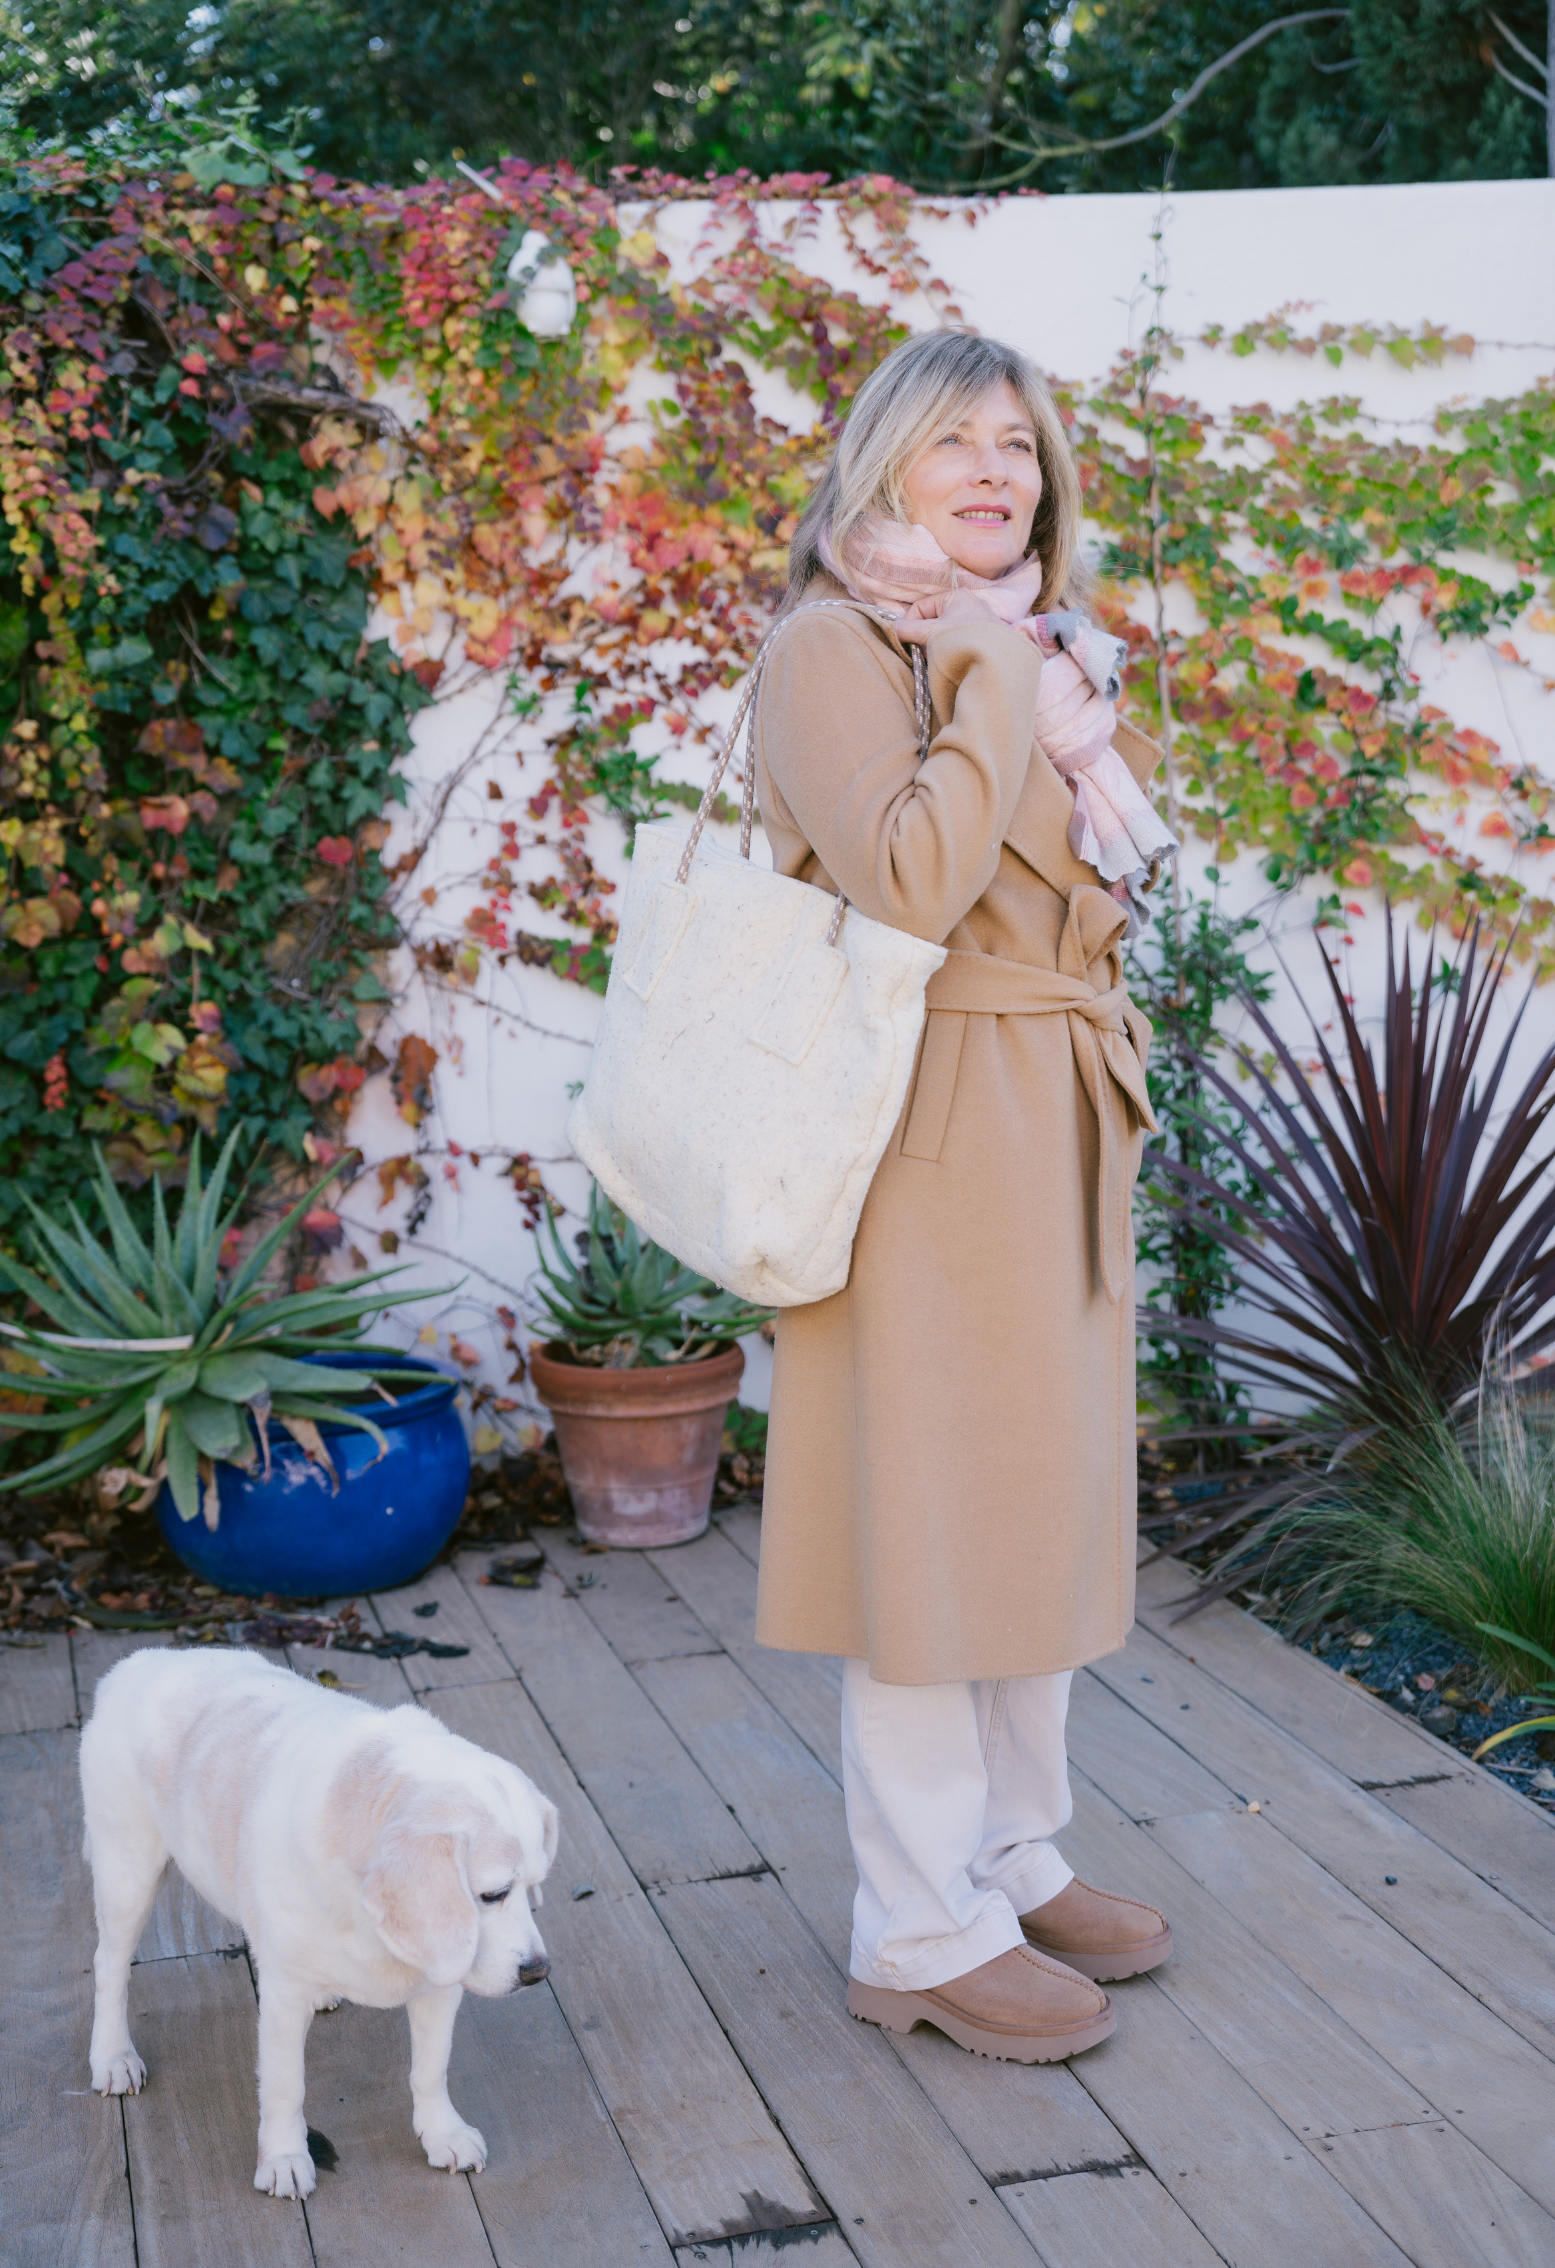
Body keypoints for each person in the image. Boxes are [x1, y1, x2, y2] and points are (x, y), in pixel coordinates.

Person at [752, 329, 1176, 2064]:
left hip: (1051, 1119)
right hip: (925, 1137)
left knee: (1037, 1512)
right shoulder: (835, 648)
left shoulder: (1044, 665)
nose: (997, 471)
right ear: (881, 469)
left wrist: (1030, 686)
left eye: (1019, 444)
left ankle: (1009, 1856)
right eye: (955, 443)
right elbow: (915, 880)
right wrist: (1001, 679)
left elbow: (1078, 898)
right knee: (931, 1537)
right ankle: (917, 1925)